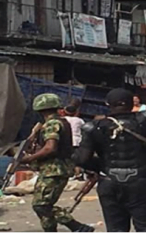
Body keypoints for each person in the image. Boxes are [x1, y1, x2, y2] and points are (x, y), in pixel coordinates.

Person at [72, 52, 146, 232]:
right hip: (141, 182)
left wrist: (103, 167)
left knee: (116, 229)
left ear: (107, 104)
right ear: (131, 103)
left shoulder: (93, 127)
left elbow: (81, 160)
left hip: (110, 183)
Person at [21, 93, 93, 232]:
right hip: (55, 169)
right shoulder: (58, 122)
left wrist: (29, 158)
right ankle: (50, 229)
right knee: (44, 204)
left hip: (54, 170)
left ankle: (78, 227)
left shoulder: (52, 124)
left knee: (41, 205)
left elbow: (50, 148)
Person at [63, 101, 85, 181]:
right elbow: (84, 129)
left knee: (65, 158)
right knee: (76, 159)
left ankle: (67, 173)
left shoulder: (63, 119)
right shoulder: (79, 120)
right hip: (76, 141)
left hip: (65, 141)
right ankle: (78, 174)